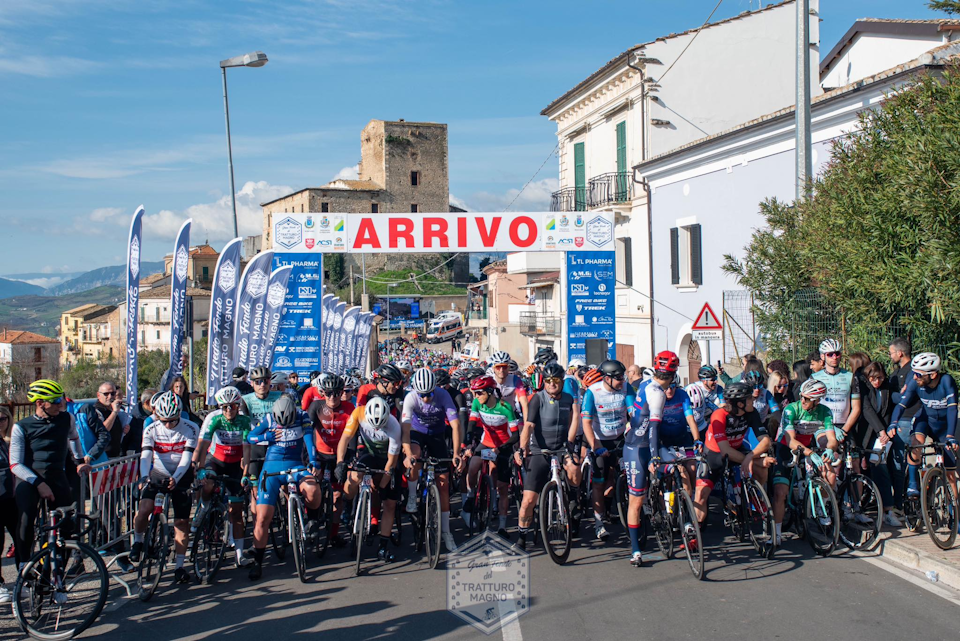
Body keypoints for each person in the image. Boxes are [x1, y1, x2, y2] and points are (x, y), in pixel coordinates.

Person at [11, 380, 91, 559]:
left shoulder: (66, 419)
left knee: (67, 522)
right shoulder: (21, 427)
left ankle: (57, 570)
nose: (60, 404)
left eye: (61, 399)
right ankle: (24, 567)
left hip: (56, 475)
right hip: (30, 478)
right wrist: (38, 483)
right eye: (55, 401)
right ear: (40, 403)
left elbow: (74, 438)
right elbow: (15, 464)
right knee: (25, 520)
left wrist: (79, 461)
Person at [246, 395, 321, 579]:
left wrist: (313, 461)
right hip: (272, 465)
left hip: (296, 464)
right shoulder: (269, 418)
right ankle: (258, 561)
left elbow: (310, 440)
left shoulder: (302, 416)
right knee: (262, 517)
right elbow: (250, 437)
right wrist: (266, 437)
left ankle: (311, 520)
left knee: (312, 490)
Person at [130, 391, 198, 585]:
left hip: (181, 474)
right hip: (158, 472)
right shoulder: (151, 429)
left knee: (181, 522)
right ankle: (138, 541)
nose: (167, 425)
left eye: (172, 421)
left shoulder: (191, 428)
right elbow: (145, 455)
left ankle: (179, 566)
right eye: (164, 421)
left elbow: (186, 459)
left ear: (179, 414)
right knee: (144, 509)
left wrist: (176, 479)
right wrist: (144, 477)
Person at [516, 362, 580, 550]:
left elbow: (573, 419)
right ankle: (521, 535)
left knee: (575, 469)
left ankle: (574, 500)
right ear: (544, 381)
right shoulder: (537, 399)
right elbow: (528, 426)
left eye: (556, 380)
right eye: (549, 381)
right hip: (540, 452)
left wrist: (570, 442)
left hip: (561, 449)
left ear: (562, 381)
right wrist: (522, 448)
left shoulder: (568, 399)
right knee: (528, 500)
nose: (552, 384)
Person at [623, 351, 678, 565]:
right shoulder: (658, 393)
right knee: (636, 500)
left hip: (642, 442)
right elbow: (653, 427)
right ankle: (636, 550)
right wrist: (655, 458)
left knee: (676, 468)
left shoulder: (646, 383)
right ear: (673, 376)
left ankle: (673, 512)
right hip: (638, 448)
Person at [693, 382, 773, 524]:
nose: (753, 400)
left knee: (762, 468)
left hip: (737, 449)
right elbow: (725, 451)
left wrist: (751, 457)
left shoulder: (751, 412)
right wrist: (752, 459)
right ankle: (694, 535)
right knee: (701, 494)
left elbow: (766, 441)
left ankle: (753, 495)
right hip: (715, 454)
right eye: (750, 398)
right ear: (741, 403)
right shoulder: (719, 415)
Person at [401, 368, 462, 552]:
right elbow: (405, 430)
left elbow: (456, 425)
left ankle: (446, 532)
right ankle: (412, 495)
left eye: (429, 394)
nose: (426, 398)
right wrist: (407, 454)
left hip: (437, 435)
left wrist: (456, 453)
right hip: (417, 433)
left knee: (443, 487)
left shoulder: (443, 395)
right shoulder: (411, 398)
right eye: (422, 395)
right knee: (415, 455)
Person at [336, 396, 403, 563]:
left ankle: (383, 546)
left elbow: (391, 462)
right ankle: (348, 503)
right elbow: (345, 439)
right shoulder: (359, 412)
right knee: (355, 474)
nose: (377, 429)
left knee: (389, 503)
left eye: (380, 426)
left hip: (387, 458)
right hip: (369, 454)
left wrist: (382, 486)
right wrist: (339, 462)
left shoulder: (394, 425)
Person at [772, 379, 836, 545]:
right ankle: (776, 534)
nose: (803, 401)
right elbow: (791, 440)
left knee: (828, 472)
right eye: (802, 397)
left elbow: (832, 439)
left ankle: (822, 506)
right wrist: (810, 453)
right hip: (786, 447)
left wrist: (830, 448)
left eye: (807, 399)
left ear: (817, 400)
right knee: (780, 492)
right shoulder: (791, 409)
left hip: (807, 447)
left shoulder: (825, 411)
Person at [194, 386, 252, 567]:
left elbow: (247, 449)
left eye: (232, 407)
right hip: (216, 461)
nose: (228, 410)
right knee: (208, 484)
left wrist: (245, 474)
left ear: (237, 406)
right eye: (225, 407)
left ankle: (240, 555)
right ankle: (204, 507)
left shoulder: (244, 421)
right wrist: (201, 467)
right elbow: (203, 445)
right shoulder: (215, 419)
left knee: (236, 512)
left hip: (235, 464)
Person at [889, 353, 958, 499]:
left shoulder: (946, 381)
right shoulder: (915, 383)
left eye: (918, 375)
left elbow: (952, 409)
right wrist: (893, 423)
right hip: (925, 420)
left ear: (932, 375)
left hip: (945, 426)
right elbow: (901, 405)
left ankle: (955, 515)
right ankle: (913, 484)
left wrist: (951, 436)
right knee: (916, 443)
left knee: (951, 474)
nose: (914, 377)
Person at [582, 359, 635, 541]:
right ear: (606, 378)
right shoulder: (592, 393)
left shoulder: (626, 388)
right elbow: (586, 423)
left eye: (623, 376)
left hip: (620, 439)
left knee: (622, 477)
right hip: (600, 441)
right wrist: (596, 447)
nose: (622, 380)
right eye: (618, 377)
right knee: (599, 482)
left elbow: (633, 412)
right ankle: (599, 522)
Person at [462, 375, 520, 539]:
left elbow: (515, 436)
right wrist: (467, 443)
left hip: (504, 445)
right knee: (472, 467)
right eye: (474, 393)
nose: (476, 396)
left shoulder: (505, 407)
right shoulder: (476, 403)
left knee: (502, 487)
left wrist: (500, 449)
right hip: (486, 442)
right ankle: (471, 495)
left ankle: (502, 526)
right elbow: (472, 425)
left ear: (489, 391)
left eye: (479, 393)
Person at [307, 373, 355, 547]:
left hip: (339, 456)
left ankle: (333, 534)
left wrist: (351, 456)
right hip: (319, 454)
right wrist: (311, 458)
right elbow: (307, 432)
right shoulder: (316, 406)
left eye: (336, 392)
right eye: (328, 393)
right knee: (314, 490)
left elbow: (354, 435)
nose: (333, 397)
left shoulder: (349, 408)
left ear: (342, 392)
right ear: (322, 393)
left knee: (337, 496)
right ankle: (312, 523)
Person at [859, 362, 900, 526]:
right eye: (873, 378)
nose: (877, 381)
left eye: (880, 378)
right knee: (871, 468)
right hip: (869, 434)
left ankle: (888, 508)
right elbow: (867, 409)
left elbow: (888, 410)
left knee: (881, 468)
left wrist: (888, 429)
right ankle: (875, 506)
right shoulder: (864, 389)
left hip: (882, 436)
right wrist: (881, 430)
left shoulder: (886, 389)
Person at [887, 337, 917, 509]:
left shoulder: (911, 372)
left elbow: (907, 397)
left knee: (900, 464)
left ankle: (900, 503)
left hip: (904, 420)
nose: (891, 356)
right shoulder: (900, 373)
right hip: (900, 419)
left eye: (891, 353)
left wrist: (892, 395)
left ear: (900, 353)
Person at [240, 366, 282, 489]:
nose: (262, 384)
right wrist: (244, 454)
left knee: (281, 482)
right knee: (255, 486)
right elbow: (244, 428)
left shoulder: (280, 396)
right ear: (252, 383)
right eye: (258, 382)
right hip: (255, 446)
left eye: (265, 381)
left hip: (275, 444)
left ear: (270, 382)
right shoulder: (246, 400)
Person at [0, 405, 18, 603]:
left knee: (22, 542)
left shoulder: (13, 441)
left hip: (14, 499)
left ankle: (25, 580)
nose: (0, 423)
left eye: (3, 418)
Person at [489, 351, 530, 420]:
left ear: (508, 367)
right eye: (498, 367)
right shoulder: (489, 380)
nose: (501, 370)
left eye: (504, 367)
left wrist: (526, 425)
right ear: (493, 368)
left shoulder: (515, 380)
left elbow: (524, 403)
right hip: (493, 416)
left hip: (511, 415)